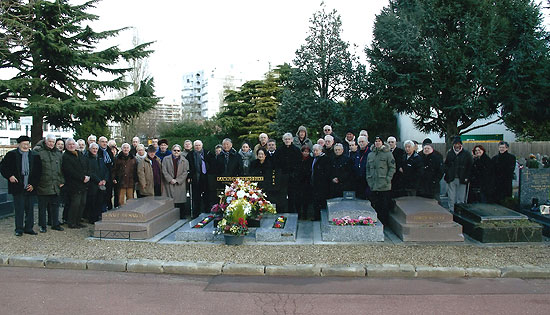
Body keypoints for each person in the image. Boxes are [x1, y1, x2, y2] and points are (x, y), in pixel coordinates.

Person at [0, 136, 42, 236]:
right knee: (19, 209)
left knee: (30, 209)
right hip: (17, 186)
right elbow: (3, 167)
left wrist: (33, 184)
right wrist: (9, 176)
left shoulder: (35, 155)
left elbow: (38, 172)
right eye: (24, 144)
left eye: (27, 144)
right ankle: (19, 228)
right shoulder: (11, 155)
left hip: (30, 186)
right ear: (19, 144)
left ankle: (29, 227)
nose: (26, 146)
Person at [35, 134, 64, 232]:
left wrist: (61, 181)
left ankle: (55, 223)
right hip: (43, 183)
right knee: (42, 207)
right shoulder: (38, 152)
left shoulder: (58, 153)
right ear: (46, 141)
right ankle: (42, 225)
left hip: (56, 184)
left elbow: (61, 169)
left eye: (53, 142)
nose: (51, 144)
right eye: (50, 141)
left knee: (55, 206)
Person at [366, 136, 396, 225]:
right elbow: (368, 168)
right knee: (375, 205)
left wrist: (388, 179)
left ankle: (384, 224)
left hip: (384, 185)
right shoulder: (370, 154)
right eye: (376, 141)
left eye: (379, 141)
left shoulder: (388, 154)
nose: (377, 143)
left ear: (382, 143)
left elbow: (392, 167)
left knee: (384, 206)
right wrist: (369, 179)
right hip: (373, 184)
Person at [61, 138, 90, 229]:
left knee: (83, 203)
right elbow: (69, 170)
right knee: (75, 204)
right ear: (66, 146)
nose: (71, 146)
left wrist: (87, 176)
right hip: (73, 184)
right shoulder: (65, 156)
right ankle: (72, 222)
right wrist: (82, 178)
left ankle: (78, 221)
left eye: (73, 144)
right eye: (69, 144)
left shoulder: (80, 154)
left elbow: (86, 165)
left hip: (84, 183)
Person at [444, 136, 473, 211]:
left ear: (461, 144)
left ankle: (460, 212)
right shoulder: (450, 153)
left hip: (462, 178)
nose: (457, 145)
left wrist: (467, 177)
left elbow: (470, 167)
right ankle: (451, 211)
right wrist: (448, 173)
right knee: (451, 197)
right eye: (455, 144)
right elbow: (446, 165)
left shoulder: (466, 154)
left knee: (461, 197)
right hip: (451, 178)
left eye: (458, 144)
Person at [274, 133, 301, 213]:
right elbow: (276, 164)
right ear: (283, 140)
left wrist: (294, 174)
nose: (287, 140)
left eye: (289, 139)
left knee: (292, 196)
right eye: (286, 139)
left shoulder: (296, 150)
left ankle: (292, 211)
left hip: (293, 178)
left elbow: (299, 164)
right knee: (282, 196)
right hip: (282, 177)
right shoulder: (279, 150)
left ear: (292, 140)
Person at [162, 144, 189, 218]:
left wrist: (177, 180)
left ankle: (181, 216)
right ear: (172, 151)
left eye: (178, 150)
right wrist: (170, 179)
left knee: (180, 200)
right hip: (169, 183)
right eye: (175, 150)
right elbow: (164, 170)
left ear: (180, 151)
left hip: (180, 184)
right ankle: (170, 217)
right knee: (170, 201)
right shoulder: (166, 159)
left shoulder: (185, 161)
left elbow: (185, 172)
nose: (176, 152)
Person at [85, 143, 108, 223]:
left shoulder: (100, 158)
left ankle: (98, 216)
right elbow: (90, 172)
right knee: (92, 202)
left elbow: (105, 170)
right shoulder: (87, 159)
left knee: (100, 201)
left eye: (96, 149)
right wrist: (98, 181)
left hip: (101, 184)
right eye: (93, 149)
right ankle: (92, 218)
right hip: (93, 184)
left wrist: (105, 180)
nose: (95, 150)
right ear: (90, 149)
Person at [186, 140, 210, 216]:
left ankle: (207, 210)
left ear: (202, 146)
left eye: (199, 145)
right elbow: (187, 167)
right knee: (196, 196)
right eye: (196, 145)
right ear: (194, 146)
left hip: (206, 178)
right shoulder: (190, 154)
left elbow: (212, 164)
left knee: (206, 195)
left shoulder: (207, 153)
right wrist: (189, 177)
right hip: (195, 177)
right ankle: (196, 212)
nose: (197, 147)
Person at [310, 144, 331, 221]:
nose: (315, 152)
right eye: (314, 150)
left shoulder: (325, 159)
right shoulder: (313, 158)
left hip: (322, 184)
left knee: (321, 201)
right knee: (315, 201)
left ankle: (321, 217)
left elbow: (326, 172)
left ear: (321, 150)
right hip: (314, 183)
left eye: (316, 150)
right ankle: (316, 216)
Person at [296, 146, 313, 220]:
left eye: (307, 152)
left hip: (307, 182)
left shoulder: (311, 160)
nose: (305, 153)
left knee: (306, 200)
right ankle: (299, 214)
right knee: (298, 200)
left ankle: (305, 215)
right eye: (304, 151)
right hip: (299, 182)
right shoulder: (298, 159)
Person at [351, 135, 370, 199]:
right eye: (359, 142)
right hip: (358, 179)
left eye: (363, 141)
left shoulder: (370, 153)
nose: (361, 143)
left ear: (367, 142)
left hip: (367, 179)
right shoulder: (357, 152)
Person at [98, 136, 114, 211]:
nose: (104, 143)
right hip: (100, 177)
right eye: (102, 142)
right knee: (101, 196)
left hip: (109, 177)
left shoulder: (109, 151)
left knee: (109, 195)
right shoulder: (97, 151)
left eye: (105, 142)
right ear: (99, 142)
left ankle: (110, 210)